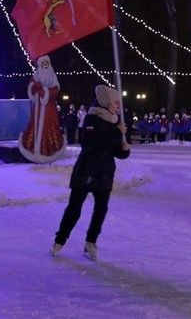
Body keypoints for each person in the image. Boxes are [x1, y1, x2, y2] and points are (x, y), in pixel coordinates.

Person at [51, 85, 130, 260]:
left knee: (101, 209)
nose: (118, 106)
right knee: (74, 208)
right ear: (106, 102)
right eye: (115, 102)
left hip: (104, 173)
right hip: (86, 171)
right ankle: (60, 239)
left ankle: (91, 242)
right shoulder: (91, 119)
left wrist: (124, 150)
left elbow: (114, 150)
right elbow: (92, 144)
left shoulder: (115, 121)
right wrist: (116, 132)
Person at [18, 56, 66, 163]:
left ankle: (50, 151)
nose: (45, 64)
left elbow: (56, 90)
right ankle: (33, 149)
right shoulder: (36, 76)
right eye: (43, 63)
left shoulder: (53, 76)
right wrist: (35, 86)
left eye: (47, 62)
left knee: (50, 126)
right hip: (38, 108)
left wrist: (45, 91)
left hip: (50, 108)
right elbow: (31, 88)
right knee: (35, 126)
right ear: (40, 65)